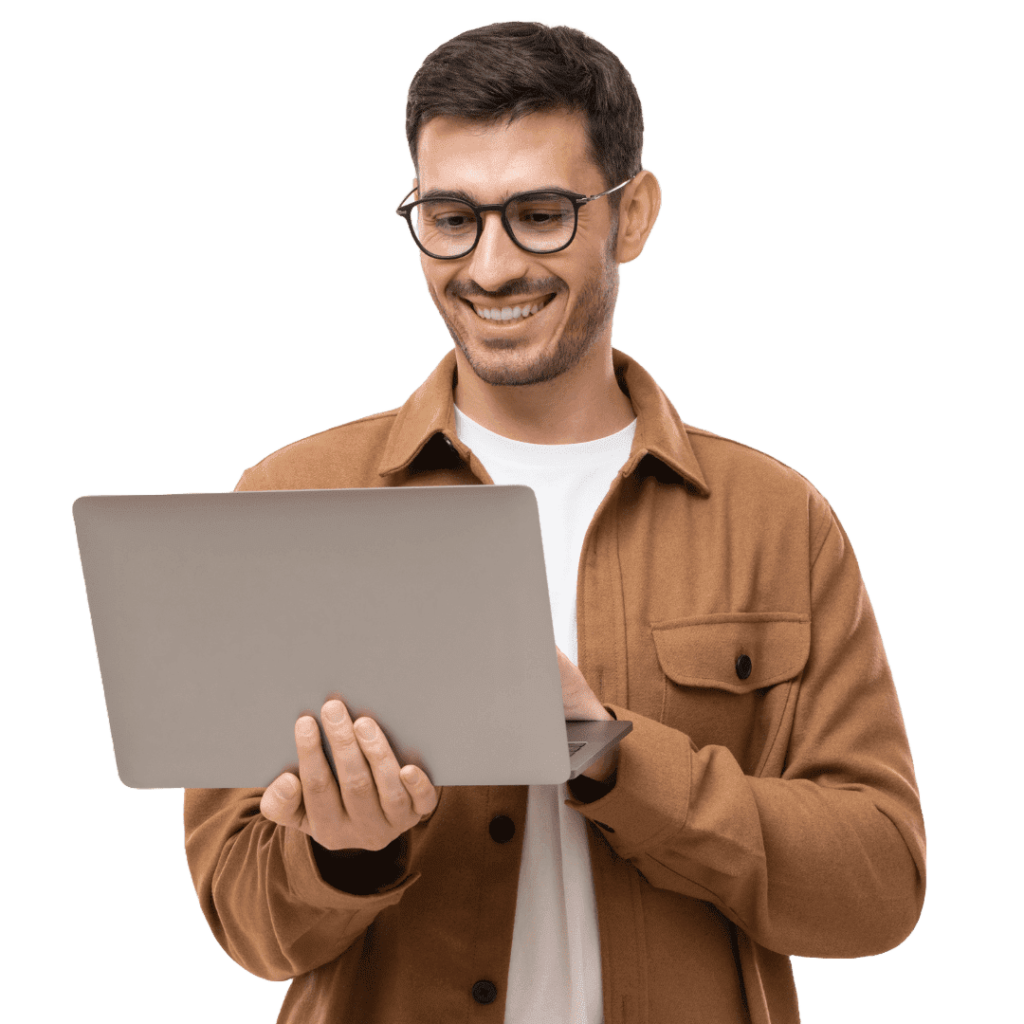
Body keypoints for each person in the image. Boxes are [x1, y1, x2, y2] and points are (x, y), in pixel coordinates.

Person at [183, 19, 926, 1023]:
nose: (488, 268)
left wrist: (607, 754)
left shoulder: (776, 519)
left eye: (539, 214)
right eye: (450, 218)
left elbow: (877, 887)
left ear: (633, 215)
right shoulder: (288, 498)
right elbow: (246, 924)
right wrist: (345, 852)